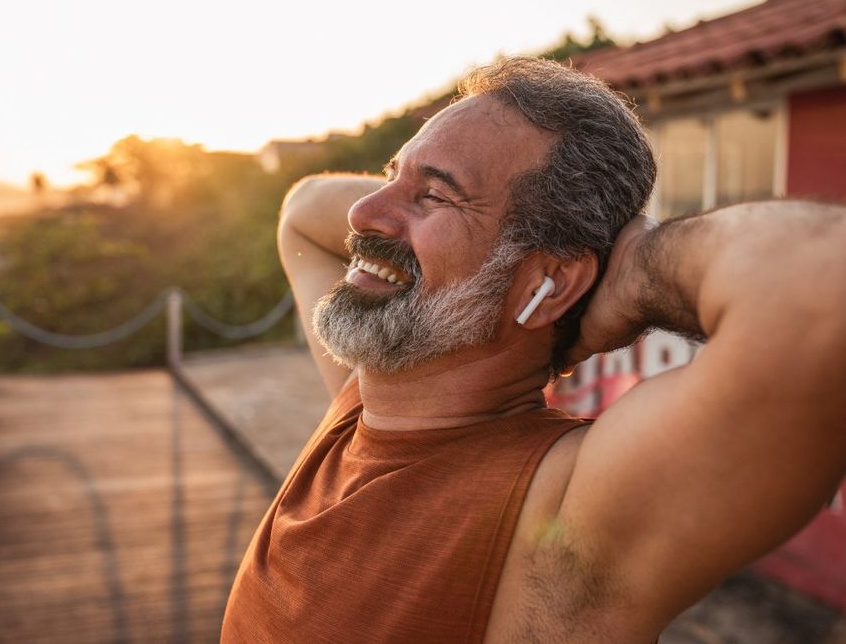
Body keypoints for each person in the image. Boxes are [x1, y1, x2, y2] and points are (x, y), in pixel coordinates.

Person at [220, 56, 846, 643]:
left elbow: (824, 288)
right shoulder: (366, 400)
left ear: (549, 281)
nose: (360, 213)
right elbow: (303, 212)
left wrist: (637, 271)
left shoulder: (564, 511)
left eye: (435, 195)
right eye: (390, 175)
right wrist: (422, 192)